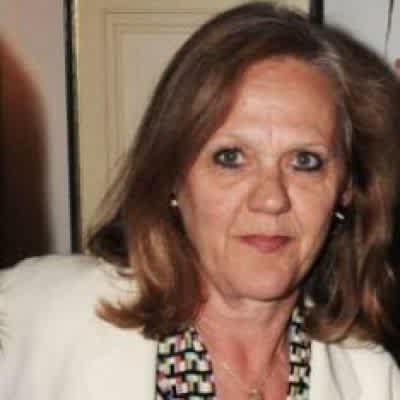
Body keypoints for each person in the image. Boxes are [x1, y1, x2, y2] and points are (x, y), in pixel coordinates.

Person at [1, 2, 400, 399]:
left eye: (305, 161)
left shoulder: (373, 380)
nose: (271, 199)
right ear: (172, 174)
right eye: (231, 158)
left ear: (347, 186)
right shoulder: (33, 316)